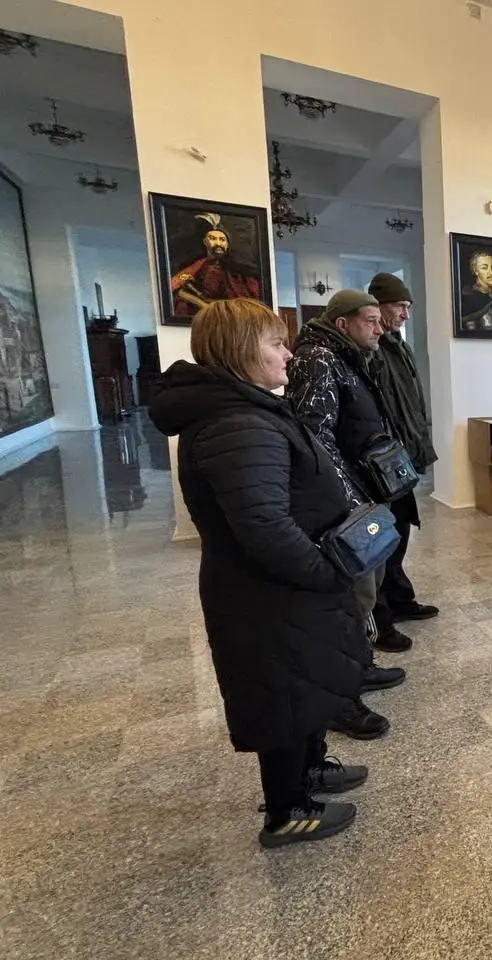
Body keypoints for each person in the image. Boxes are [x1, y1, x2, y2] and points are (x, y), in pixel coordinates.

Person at [149, 298, 368, 848]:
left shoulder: (248, 410)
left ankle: (310, 768)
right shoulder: (237, 423)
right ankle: (288, 809)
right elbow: (264, 525)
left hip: (288, 586)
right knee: (283, 694)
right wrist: (323, 571)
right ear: (242, 351)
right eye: (276, 343)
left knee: (305, 678)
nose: (288, 353)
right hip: (269, 591)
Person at [287, 289, 412, 741]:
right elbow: (315, 437)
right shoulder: (319, 360)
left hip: (361, 490)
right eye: (370, 320)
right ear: (342, 323)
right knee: (349, 595)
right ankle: (343, 693)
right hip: (343, 501)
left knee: (366, 587)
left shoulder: (350, 356)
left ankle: (360, 666)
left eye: (382, 320)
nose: (380, 328)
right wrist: (349, 502)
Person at [367, 273, 439, 625]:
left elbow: (411, 403)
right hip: (380, 461)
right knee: (381, 536)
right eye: (401, 306)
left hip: (402, 456)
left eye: (408, 306)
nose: (406, 313)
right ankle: (381, 615)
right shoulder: (370, 346)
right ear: (378, 306)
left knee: (400, 528)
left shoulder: (398, 344)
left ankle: (399, 598)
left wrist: (417, 447)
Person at [170, 213, 262, 318]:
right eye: (213, 238)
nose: (218, 243)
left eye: (222, 240)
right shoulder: (195, 267)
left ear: (227, 245)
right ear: (205, 241)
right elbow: (177, 288)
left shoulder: (240, 272)